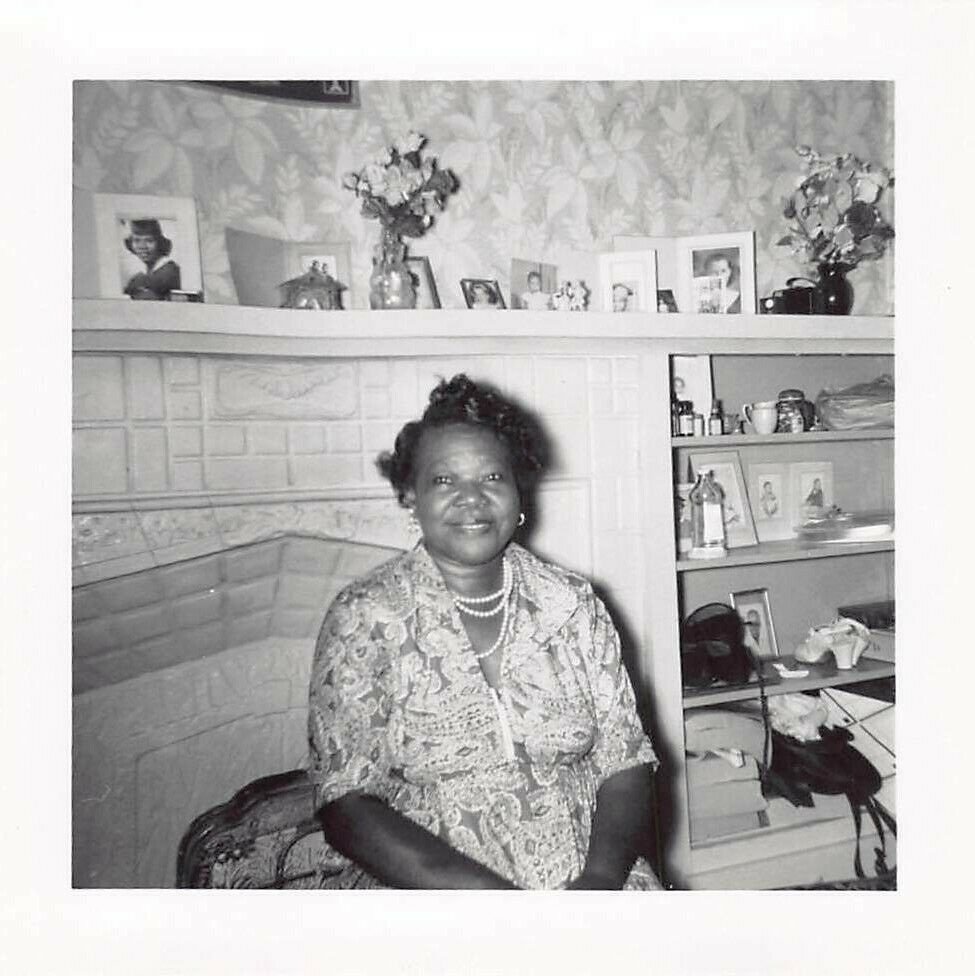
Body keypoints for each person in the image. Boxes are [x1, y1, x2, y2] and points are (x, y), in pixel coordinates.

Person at [307, 374, 661, 890]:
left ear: (518, 493)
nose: (472, 500)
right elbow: (345, 802)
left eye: (492, 478)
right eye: (444, 480)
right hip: (435, 899)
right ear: (410, 494)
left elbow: (626, 757)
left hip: (589, 883)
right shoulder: (365, 616)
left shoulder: (572, 604)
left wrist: (598, 884)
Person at [122, 218, 181, 300]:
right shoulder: (137, 278)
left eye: (149, 241)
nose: (142, 247)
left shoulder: (170, 272)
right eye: (137, 240)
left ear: (160, 243)